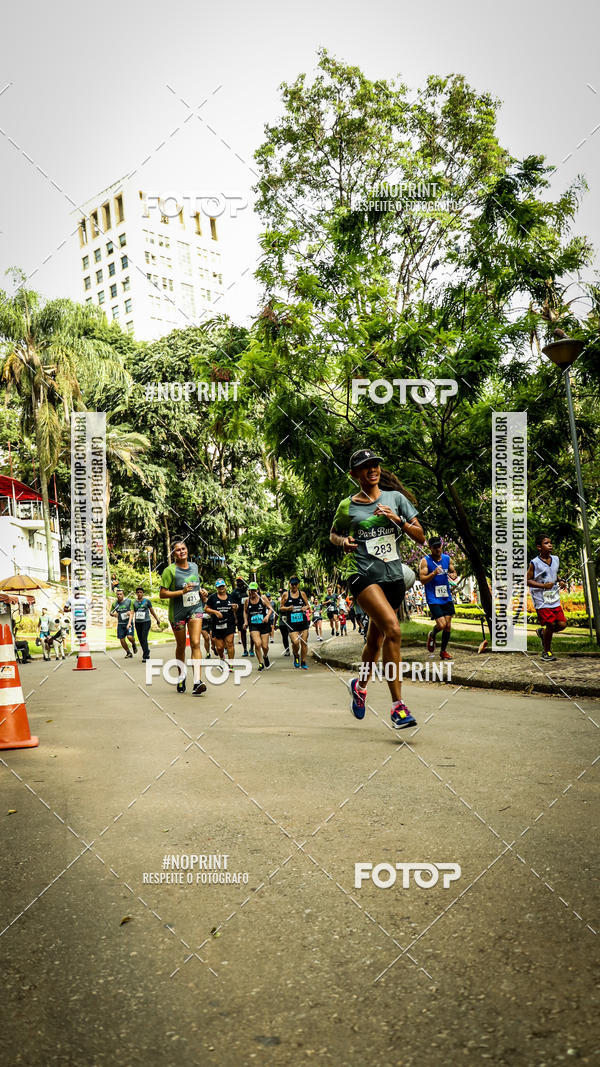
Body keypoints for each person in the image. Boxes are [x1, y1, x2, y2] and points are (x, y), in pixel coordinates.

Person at [330, 448, 425, 729]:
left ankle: (359, 686)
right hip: (361, 574)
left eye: (375, 465)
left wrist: (398, 520)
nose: (372, 469)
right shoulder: (347, 506)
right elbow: (333, 533)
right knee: (393, 629)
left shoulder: (396, 499)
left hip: (392, 576)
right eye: (365, 466)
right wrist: (342, 542)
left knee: (376, 641)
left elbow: (420, 537)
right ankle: (398, 707)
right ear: (355, 474)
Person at [160, 540, 207, 695]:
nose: (181, 552)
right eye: (178, 550)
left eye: (183, 548)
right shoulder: (169, 571)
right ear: (173, 554)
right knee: (181, 646)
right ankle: (181, 676)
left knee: (195, 643)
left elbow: (196, 586)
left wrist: (203, 593)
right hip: (178, 613)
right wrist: (182, 592)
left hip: (195, 609)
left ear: (187, 550)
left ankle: (197, 681)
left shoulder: (194, 567)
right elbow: (163, 593)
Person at [527, 533, 567, 661]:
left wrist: (560, 581)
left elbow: (554, 574)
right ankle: (546, 652)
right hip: (541, 599)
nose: (550, 545)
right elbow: (527, 580)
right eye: (546, 543)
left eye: (550, 543)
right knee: (550, 624)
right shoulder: (534, 563)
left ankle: (542, 633)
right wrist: (543, 586)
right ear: (539, 547)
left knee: (562, 624)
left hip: (553, 597)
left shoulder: (555, 559)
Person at [420, 537, 458, 661]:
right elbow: (422, 580)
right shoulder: (425, 561)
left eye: (439, 546)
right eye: (435, 547)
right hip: (433, 598)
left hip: (446, 596)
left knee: (448, 626)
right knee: (441, 625)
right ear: (430, 548)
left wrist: (453, 575)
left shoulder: (447, 559)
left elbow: (453, 572)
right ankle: (432, 633)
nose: (437, 549)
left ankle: (443, 651)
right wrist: (434, 573)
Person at [280, 576, 311, 669]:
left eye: (295, 584)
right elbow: (281, 607)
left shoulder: (302, 594)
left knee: (304, 642)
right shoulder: (286, 595)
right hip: (292, 623)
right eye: (292, 584)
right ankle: (296, 655)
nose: (294, 586)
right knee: (295, 642)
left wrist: (305, 608)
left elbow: (308, 605)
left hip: (303, 622)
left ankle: (303, 661)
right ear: (290, 584)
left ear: (298, 584)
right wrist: (288, 608)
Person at [204, 579, 238, 661]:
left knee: (230, 643)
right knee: (219, 647)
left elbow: (236, 607)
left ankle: (231, 664)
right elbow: (206, 609)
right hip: (217, 625)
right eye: (219, 587)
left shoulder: (231, 597)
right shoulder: (212, 597)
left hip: (229, 623)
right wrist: (215, 612)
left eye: (222, 586)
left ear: (225, 586)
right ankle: (222, 658)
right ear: (216, 588)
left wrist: (235, 607)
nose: (221, 588)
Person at [244, 583, 273, 670]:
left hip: (264, 624)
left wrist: (267, 617)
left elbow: (271, 609)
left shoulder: (262, 598)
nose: (252, 592)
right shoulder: (247, 600)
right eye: (250, 590)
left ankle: (265, 656)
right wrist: (245, 622)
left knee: (264, 646)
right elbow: (245, 611)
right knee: (257, 643)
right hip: (253, 625)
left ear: (257, 590)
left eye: (253, 590)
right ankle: (260, 663)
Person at [133, 587, 160, 661]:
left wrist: (157, 619)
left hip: (146, 622)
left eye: (140, 592)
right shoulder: (134, 602)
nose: (139, 594)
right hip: (138, 622)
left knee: (144, 638)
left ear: (143, 593)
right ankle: (146, 650)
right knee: (140, 639)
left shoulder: (147, 601)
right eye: (138, 592)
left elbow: (152, 611)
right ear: (136, 593)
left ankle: (146, 655)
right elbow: (133, 612)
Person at [110, 589, 137, 657]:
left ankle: (133, 644)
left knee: (129, 637)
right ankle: (128, 652)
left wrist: (129, 615)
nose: (119, 596)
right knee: (122, 640)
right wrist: (114, 614)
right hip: (120, 624)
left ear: (123, 595)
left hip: (128, 623)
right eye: (118, 594)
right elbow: (111, 613)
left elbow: (132, 611)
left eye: (120, 594)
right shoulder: (115, 604)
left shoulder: (128, 601)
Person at [231, 577, 249, 657]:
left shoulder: (247, 590)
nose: (239, 583)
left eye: (241, 581)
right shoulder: (234, 593)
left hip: (250, 613)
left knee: (252, 632)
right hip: (239, 614)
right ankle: (245, 649)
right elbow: (233, 606)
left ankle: (252, 648)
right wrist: (235, 618)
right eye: (238, 581)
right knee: (242, 632)